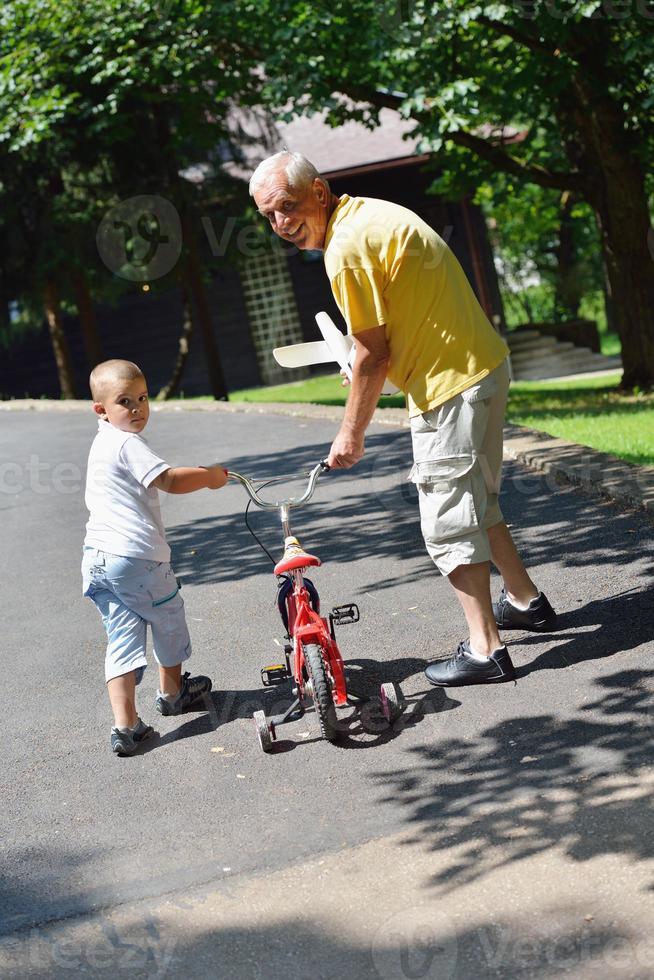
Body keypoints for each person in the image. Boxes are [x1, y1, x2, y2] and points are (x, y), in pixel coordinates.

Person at [249, 151, 557, 687]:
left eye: (288, 207)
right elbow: (393, 333)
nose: (281, 224)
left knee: (446, 523)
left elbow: (374, 353)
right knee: (477, 502)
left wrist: (351, 430)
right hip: (482, 366)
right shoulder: (370, 214)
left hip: (449, 389)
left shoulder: (343, 249)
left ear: (319, 192)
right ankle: (526, 601)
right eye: (269, 215)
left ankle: (486, 651)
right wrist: (365, 364)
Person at [82, 359, 229, 755]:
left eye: (143, 398)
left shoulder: (101, 443)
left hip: (98, 559)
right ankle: (173, 692)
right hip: (137, 558)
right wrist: (210, 476)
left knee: (122, 637)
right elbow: (167, 480)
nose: (137, 409)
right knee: (167, 616)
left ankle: (126, 726)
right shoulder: (127, 443)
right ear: (101, 410)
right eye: (125, 401)